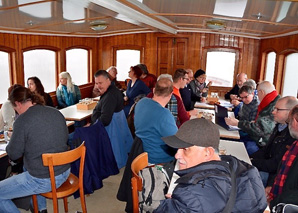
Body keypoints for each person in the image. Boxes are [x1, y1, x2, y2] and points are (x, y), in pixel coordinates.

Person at [154, 118, 267, 213]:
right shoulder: (242, 168)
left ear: (208, 152)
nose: (177, 155)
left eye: (185, 149)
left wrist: (175, 205)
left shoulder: (191, 196)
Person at [0, 86, 70, 213]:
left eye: (15, 108)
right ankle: (41, 209)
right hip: (64, 170)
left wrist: (13, 140)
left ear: (17, 104)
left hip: (44, 178)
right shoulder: (55, 112)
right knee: (28, 165)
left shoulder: (22, 121)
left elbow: (14, 154)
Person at [251, 96, 298, 187]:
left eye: (278, 109)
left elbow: (274, 165)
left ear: (290, 112)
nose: (273, 112)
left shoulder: (292, 135)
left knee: (247, 177)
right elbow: (266, 150)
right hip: (269, 170)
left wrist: (252, 162)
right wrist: (249, 159)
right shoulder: (279, 127)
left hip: (273, 176)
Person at [225, 81, 280, 155]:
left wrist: (238, 123)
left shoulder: (272, 106)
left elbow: (259, 129)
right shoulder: (270, 102)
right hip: (257, 138)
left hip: (260, 143)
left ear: (261, 92)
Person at [134, 78, 178, 164]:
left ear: (154, 90)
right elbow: (175, 143)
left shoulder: (141, 103)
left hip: (141, 154)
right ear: (171, 94)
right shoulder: (164, 115)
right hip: (159, 159)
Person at [266, 105, 298, 210]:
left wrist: (275, 202)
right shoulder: (295, 145)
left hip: (284, 205)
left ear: (295, 122)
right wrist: (271, 185)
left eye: (289, 122)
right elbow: (281, 170)